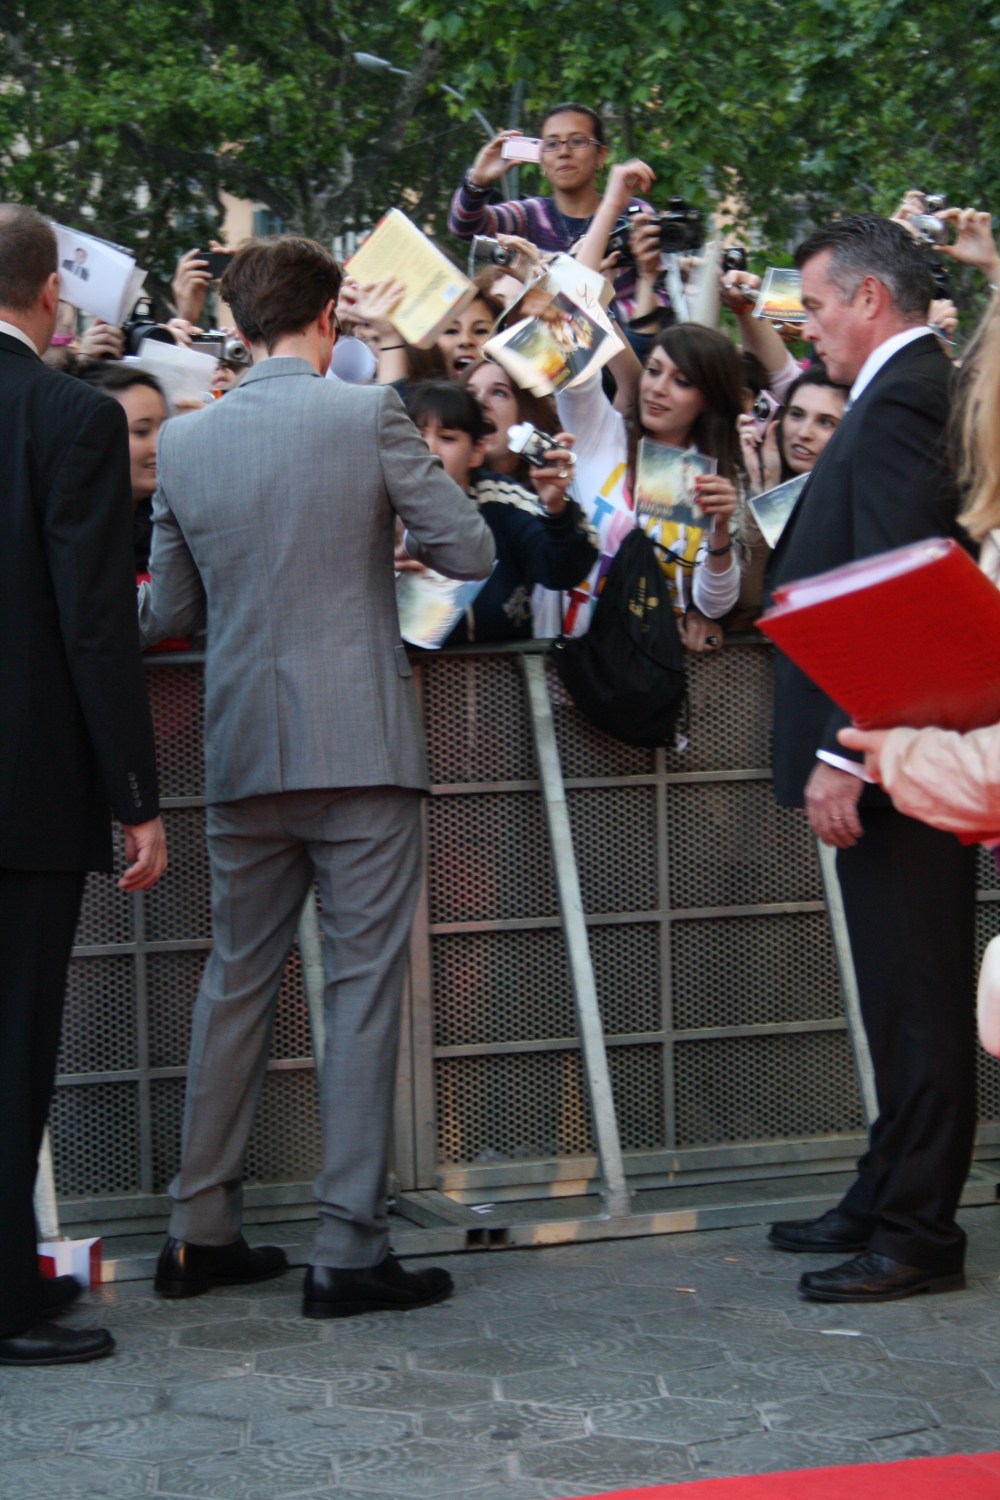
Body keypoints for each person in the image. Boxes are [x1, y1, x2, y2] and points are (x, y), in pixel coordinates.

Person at [138, 235, 495, 1317]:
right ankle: (347, 1249)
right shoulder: (365, 413)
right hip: (361, 748)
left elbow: (168, 612)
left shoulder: (187, 441)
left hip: (244, 746)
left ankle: (197, 1234)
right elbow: (471, 550)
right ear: (329, 314)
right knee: (361, 992)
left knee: (234, 982)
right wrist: (382, 538)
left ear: (237, 324)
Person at [765, 214, 977, 1303]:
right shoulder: (904, 390)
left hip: (891, 756)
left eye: (812, 307)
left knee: (917, 995)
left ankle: (916, 1231)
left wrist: (845, 752)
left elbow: (894, 590)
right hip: (893, 750)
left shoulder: (904, 397)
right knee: (898, 992)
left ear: (867, 299)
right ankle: (884, 1190)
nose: (805, 330)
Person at [0, 204, 167, 1366]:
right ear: (53, 294)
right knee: (15, 1046)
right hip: (27, 786)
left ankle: (14, 1268)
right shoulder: (69, 414)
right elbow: (95, 621)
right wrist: (135, 794)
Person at [402, 380, 597, 643]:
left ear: (476, 451)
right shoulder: (373, 508)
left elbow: (562, 571)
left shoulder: (502, 500)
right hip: (402, 668)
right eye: (417, 436)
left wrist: (556, 508)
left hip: (502, 666)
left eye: (447, 437)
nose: (429, 449)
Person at [447, 103, 668, 323]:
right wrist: (478, 181)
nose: (564, 152)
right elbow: (464, 227)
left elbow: (662, 292)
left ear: (601, 155)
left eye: (577, 141)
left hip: (628, 340)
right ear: (542, 160)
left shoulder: (631, 213)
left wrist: (601, 315)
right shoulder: (528, 214)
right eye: (552, 144)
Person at [79, 364, 169, 570]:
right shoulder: (72, 541)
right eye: (141, 431)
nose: (160, 444)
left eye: (165, 427)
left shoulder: (179, 524)